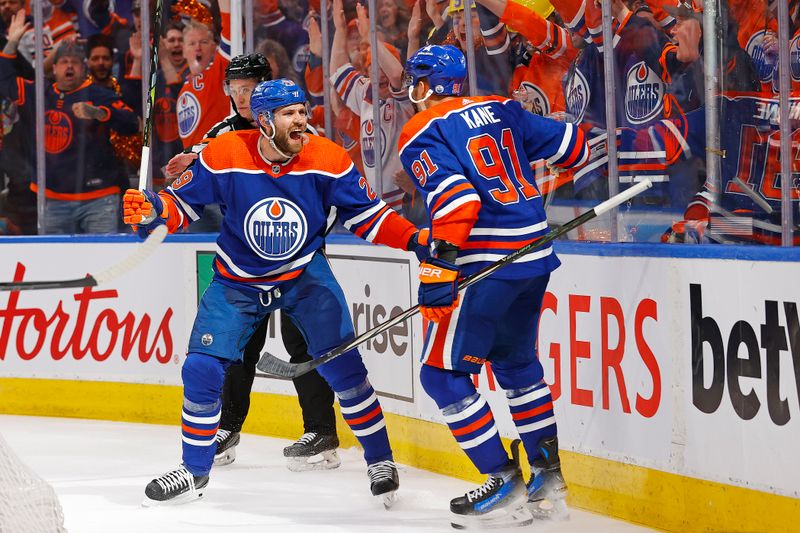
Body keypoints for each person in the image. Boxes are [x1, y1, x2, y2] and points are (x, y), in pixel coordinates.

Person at [125, 78, 427, 507]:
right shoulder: (224, 154)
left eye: (303, 111)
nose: (301, 121)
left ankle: (381, 460)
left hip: (305, 277)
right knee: (201, 369)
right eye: (290, 114)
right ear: (264, 120)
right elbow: (180, 207)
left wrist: (416, 239)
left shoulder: (328, 159)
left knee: (346, 372)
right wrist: (151, 209)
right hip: (239, 280)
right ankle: (194, 472)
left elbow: (370, 217)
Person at [398, 45, 589, 528]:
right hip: (534, 257)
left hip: (485, 265)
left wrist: (440, 267)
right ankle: (548, 481)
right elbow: (575, 146)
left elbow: (459, 199)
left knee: (442, 377)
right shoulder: (505, 108)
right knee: (518, 366)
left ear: (423, 85)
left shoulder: (421, 130)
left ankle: (502, 480)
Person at [166, 53, 342, 471]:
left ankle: (321, 429)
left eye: (250, 88)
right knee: (238, 344)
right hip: (246, 259)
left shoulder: (295, 126)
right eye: (236, 89)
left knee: (307, 342)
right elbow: (191, 177)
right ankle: (226, 427)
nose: (242, 97)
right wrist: (182, 171)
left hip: (297, 255)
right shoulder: (221, 133)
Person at [0, 10, 138, 235]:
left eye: (75, 62)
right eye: (63, 62)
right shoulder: (39, 94)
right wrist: (12, 41)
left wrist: (99, 113)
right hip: (53, 202)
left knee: (103, 264)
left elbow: (133, 123)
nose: (69, 67)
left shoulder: (99, 94)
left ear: (84, 69)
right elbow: (3, 79)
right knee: (57, 266)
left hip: (99, 200)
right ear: (53, 68)